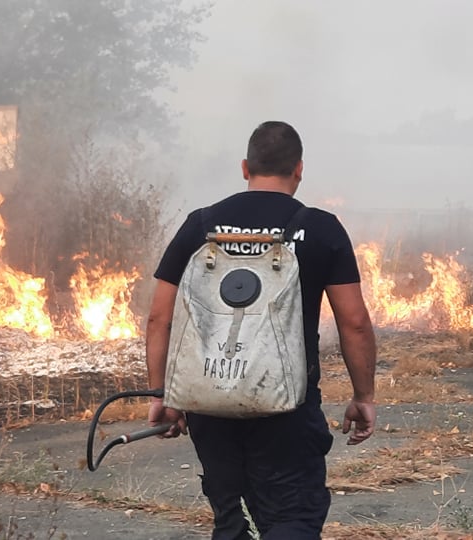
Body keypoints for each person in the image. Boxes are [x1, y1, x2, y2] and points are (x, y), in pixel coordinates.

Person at [144, 121, 377, 540]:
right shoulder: (320, 228)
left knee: (232, 522)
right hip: (286, 407)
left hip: (210, 401)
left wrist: (164, 394)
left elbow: (160, 318)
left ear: (245, 167)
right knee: (292, 519)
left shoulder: (201, 225)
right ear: (299, 170)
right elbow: (354, 323)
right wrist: (363, 397)